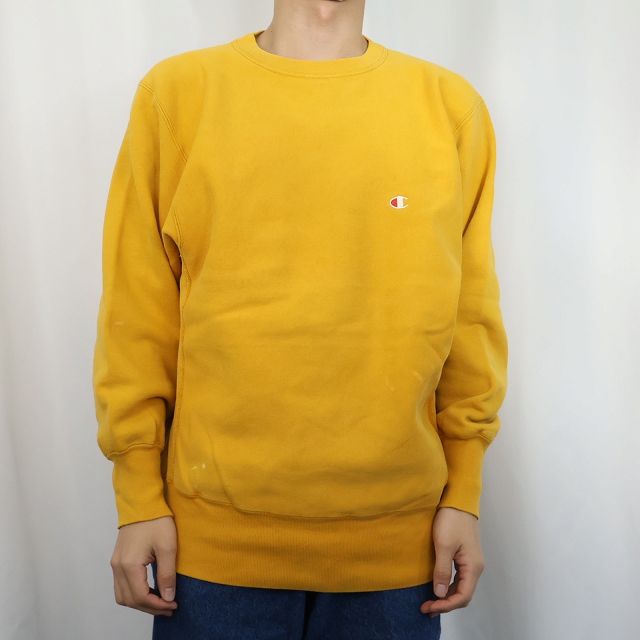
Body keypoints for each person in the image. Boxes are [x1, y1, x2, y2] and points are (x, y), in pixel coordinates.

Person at [92, 0, 508, 637]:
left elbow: (470, 316)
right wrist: (138, 496)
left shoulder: (450, 107)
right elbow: (137, 312)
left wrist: (465, 493)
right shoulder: (177, 96)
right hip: (211, 551)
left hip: (400, 549)